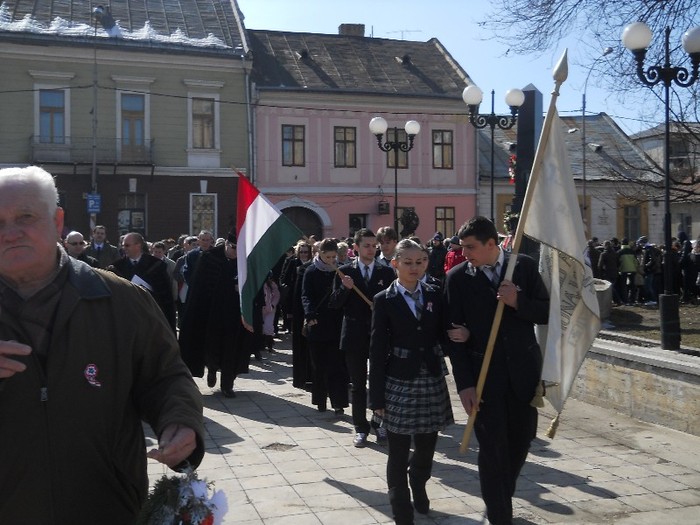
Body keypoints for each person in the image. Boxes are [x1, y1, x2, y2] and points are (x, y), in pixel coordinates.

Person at [0, 166, 204, 523]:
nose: (10, 232)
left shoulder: (122, 300)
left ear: (57, 220)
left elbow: (167, 375)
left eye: (25, 217)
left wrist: (181, 421)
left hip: (105, 505)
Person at [444, 216, 549, 525]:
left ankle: (499, 497)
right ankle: (500, 514)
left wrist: (518, 302)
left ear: (492, 244)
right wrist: (464, 385)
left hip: (523, 375)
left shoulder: (524, 267)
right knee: (491, 448)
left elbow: (545, 311)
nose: (465, 254)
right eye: (462, 248)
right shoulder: (457, 278)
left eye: (471, 247)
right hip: (483, 377)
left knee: (521, 441)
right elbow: (453, 335)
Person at [369, 239, 453, 524]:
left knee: (428, 445)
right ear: (395, 264)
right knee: (398, 448)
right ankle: (400, 507)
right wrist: (376, 399)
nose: (414, 267)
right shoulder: (385, 300)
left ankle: (418, 480)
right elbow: (377, 349)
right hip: (399, 380)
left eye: (420, 262)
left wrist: (459, 336)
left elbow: (442, 332)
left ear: (427, 263)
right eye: (408, 262)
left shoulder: (434, 294)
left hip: (430, 376)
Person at [330, 228, 395, 447]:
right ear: (355, 247)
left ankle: (380, 424)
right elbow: (335, 303)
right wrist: (345, 289)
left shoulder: (385, 272)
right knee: (357, 384)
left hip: (379, 335)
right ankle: (360, 427)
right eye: (366, 245)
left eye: (374, 245)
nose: (371, 249)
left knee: (380, 382)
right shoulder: (344, 272)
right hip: (354, 335)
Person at [179, 234, 249, 397]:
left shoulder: (242, 261)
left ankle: (227, 384)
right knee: (212, 346)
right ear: (226, 244)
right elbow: (200, 286)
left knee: (231, 347)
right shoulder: (209, 258)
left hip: (233, 313)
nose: (235, 253)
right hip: (211, 312)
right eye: (233, 248)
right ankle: (211, 369)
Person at [301, 238, 349, 413]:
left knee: (337, 366)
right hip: (318, 323)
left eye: (333, 257)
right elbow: (306, 295)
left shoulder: (340, 271)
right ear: (320, 254)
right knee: (319, 365)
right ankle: (320, 400)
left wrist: (346, 288)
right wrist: (310, 313)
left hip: (336, 323)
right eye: (328, 257)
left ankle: (339, 403)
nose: (331, 261)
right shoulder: (311, 271)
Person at [108, 232, 177, 332]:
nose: (124, 248)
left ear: (138, 245)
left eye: (127, 245)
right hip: (127, 318)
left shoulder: (156, 265)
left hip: (151, 317)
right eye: (123, 245)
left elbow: (165, 297)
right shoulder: (117, 268)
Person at [262, 272, 280, 352]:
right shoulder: (258, 284)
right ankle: (261, 344)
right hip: (260, 309)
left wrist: (273, 305)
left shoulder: (272, 285)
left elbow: (277, 296)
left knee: (268, 326)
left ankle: (269, 344)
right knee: (260, 327)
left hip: (270, 310)